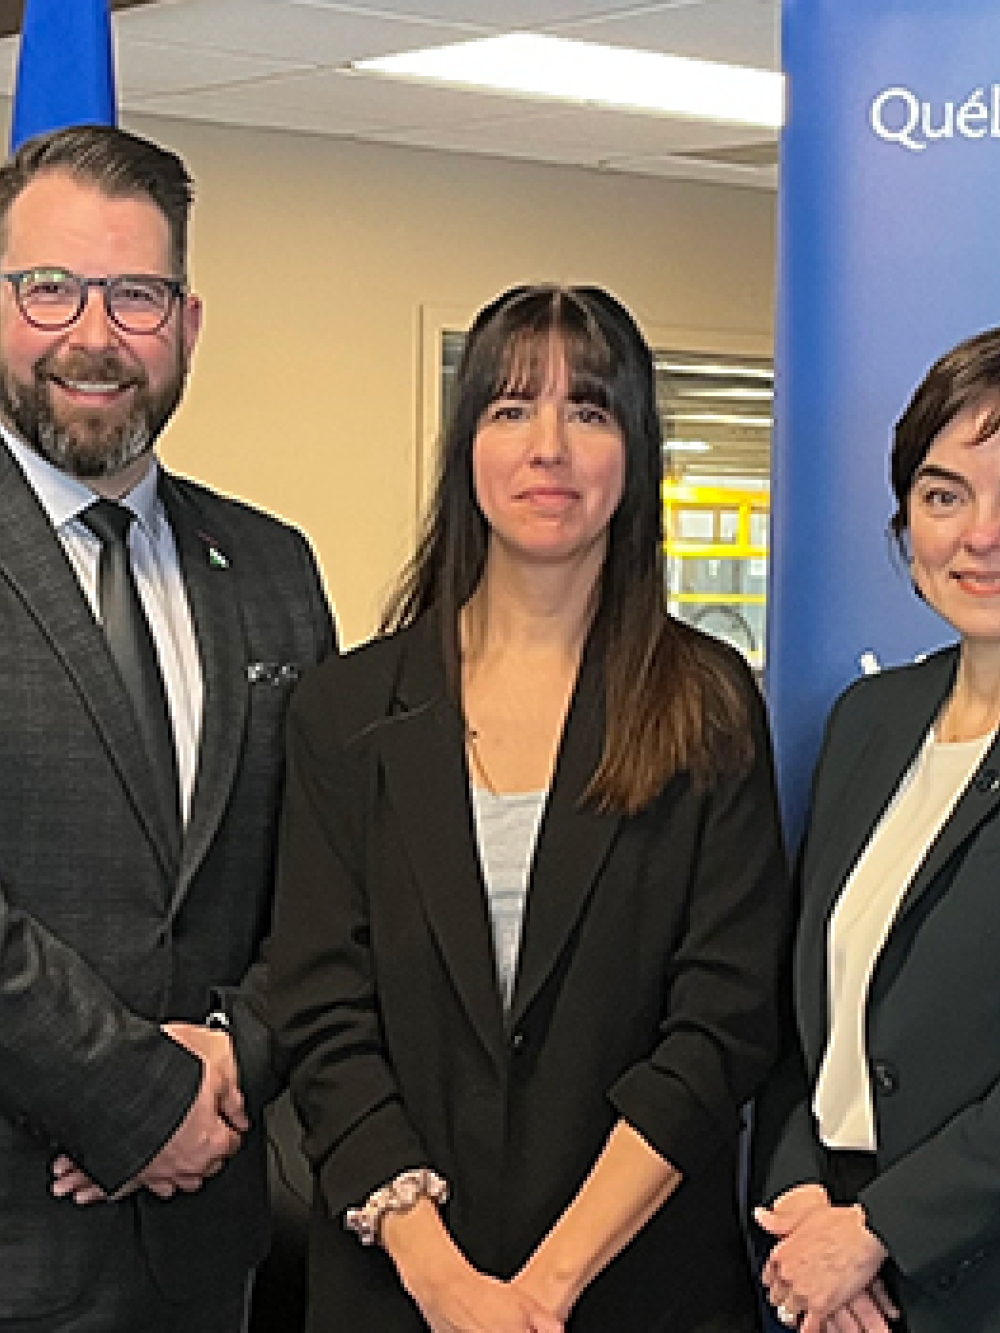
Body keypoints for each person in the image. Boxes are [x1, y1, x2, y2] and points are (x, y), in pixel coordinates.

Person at [268, 283, 790, 1332]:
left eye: (588, 410)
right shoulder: (346, 709)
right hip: (397, 1289)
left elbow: (720, 1025)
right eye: (512, 408)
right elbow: (323, 1012)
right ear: (467, 445)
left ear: (633, 450)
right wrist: (444, 1283)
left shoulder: (707, 704)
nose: (548, 446)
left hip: (636, 1290)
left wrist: (543, 1289)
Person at [0, 125, 335, 1331]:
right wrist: (137, 1101)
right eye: (50, 288)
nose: (94, 335)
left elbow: (329, 879)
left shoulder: (273, 569)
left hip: (205, 1250)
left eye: (135, 294)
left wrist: (237, 1052)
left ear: (187, 324)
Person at [752, 326, 1000, 1333]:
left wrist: (882, 1230)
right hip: (827, 1274)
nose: (980, 534)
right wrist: (804, 1198)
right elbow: (799, 1015)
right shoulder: (871, 721)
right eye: (945, 495)